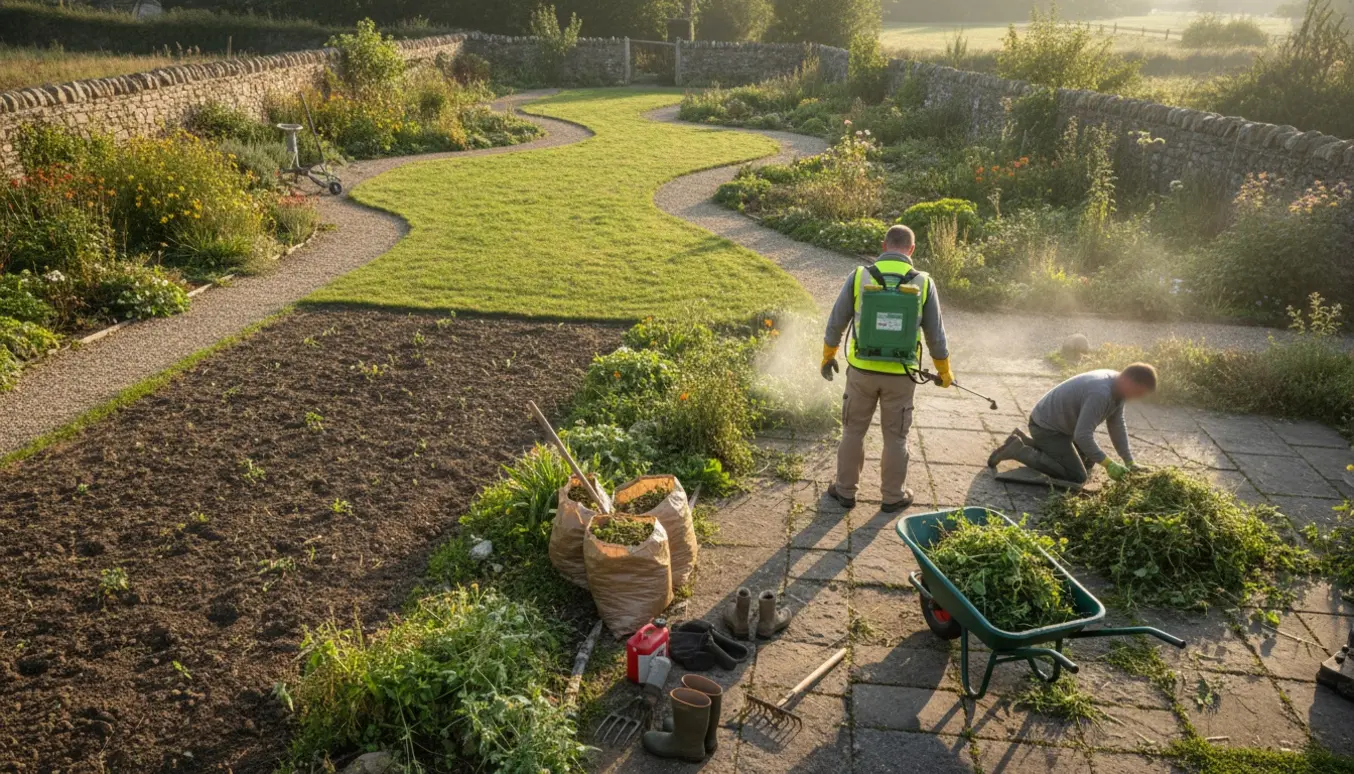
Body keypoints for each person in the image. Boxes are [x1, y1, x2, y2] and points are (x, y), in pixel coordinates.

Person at [820, 225, 952, 513]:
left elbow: (836, 321)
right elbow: (935, 335)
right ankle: (893, 496)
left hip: (862, 373)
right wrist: (943, 371)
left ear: (884, 245)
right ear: (912, 249)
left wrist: (828, 355)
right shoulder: (924, 283)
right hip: (901, 376)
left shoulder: (859, 276)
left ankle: (845, 491)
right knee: (896, 436)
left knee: (853, 431)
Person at [987, 365, 1158, 484]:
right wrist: (1108, 464)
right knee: (1076, 475)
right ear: (1130, 382)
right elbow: (1082, 436)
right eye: (1138, 392)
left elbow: (1116, 425)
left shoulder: (1118, 385)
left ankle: (1024, 440)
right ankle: (1018, 450)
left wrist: (1129, 461)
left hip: (1060, 427)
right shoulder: (1101, 393)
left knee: (1088, 461)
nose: (1136, 398)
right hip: (1046, 428)